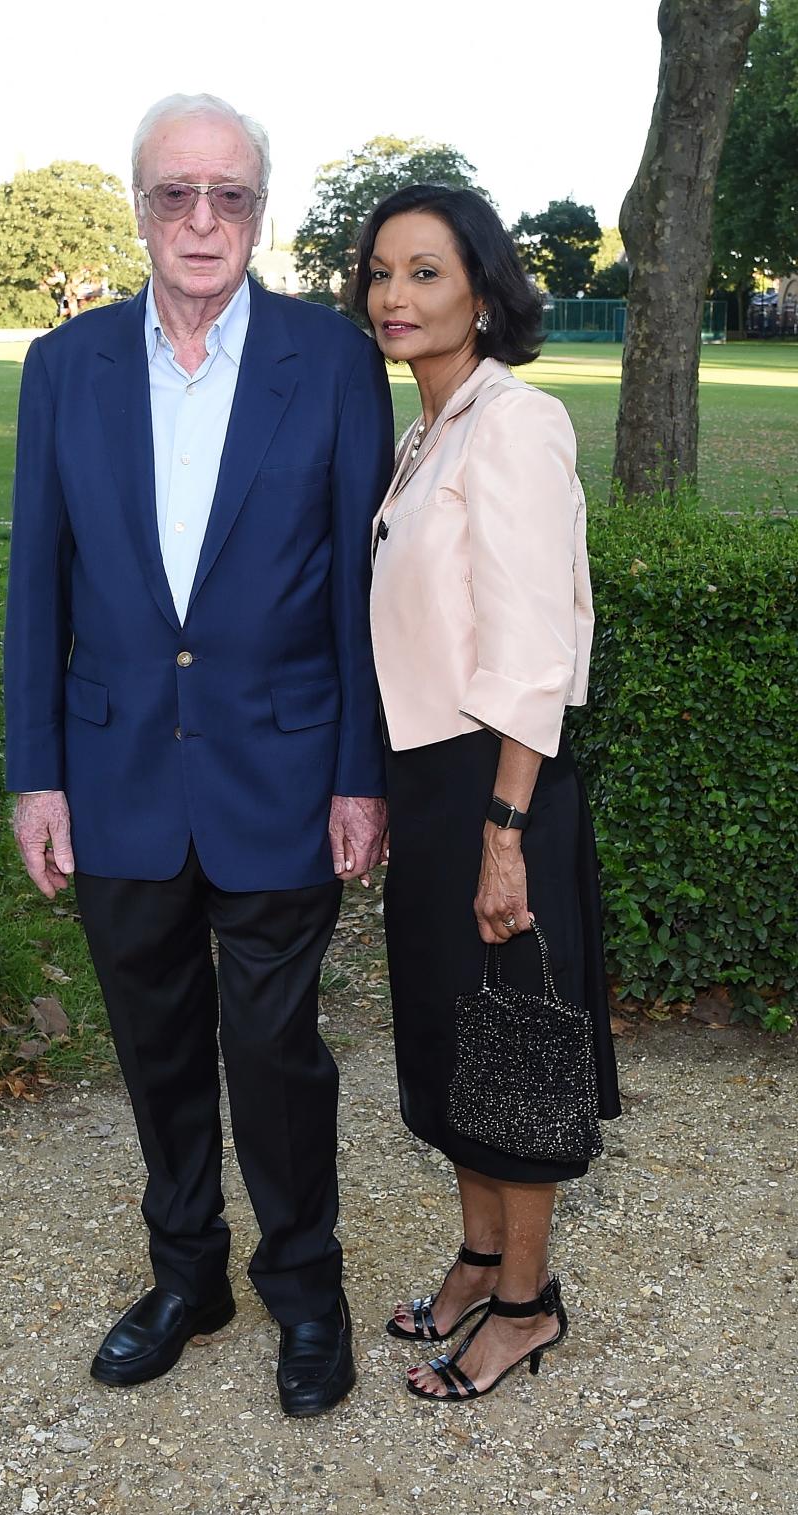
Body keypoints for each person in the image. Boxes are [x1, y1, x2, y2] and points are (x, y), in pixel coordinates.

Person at [4, 92, 394, 1417]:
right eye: (177, 194)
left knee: (278, 1055)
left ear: (259, 211)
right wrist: (35, 774)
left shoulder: (330, 362)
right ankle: (188, 1277)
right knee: (155, 1046)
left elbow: (357, 590)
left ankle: (305, 1289)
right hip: (113, 782)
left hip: (282, 778)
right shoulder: (64, 367)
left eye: (229, 195)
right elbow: (35, 592)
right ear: (140, 207)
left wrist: (360, 773)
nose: (203, 219)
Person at [356, 185, 621, 1402]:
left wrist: (504, 832)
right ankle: (475, 1260)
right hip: (433, 780)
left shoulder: (512, 422)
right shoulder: (433, 429)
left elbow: (534, 646)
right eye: (379, 274)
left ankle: (527, 1305)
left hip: (495, 781)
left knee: (516, 1052)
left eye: (424, 273)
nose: (394, 298)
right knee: (455, 1044)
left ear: (481, 288)